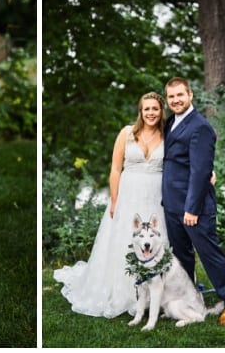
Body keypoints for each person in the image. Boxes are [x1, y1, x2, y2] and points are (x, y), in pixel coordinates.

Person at [54, 92, 168, 318]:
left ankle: (158, 294)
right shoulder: (127, 133)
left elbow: (185, 161)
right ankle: (124, 292)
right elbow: (116, 169)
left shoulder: (168, 135)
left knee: (155, 240)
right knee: (123, 241)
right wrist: (115, 200)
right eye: (147, 109)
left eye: (155, 108)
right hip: (128, 194)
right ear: (140, 111)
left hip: (156, 196)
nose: (151, 113)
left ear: (161, 111)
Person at [161, 77, 225, 325]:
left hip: (193, 207)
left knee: (209, 254)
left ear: (190, 95)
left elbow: (199, 171)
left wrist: (192, 209)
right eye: (171, 97)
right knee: (182, 256)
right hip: (172, 204)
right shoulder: (170, 123)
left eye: (180, 95)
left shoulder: (200, 126)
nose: (175, 100)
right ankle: (189, 297)